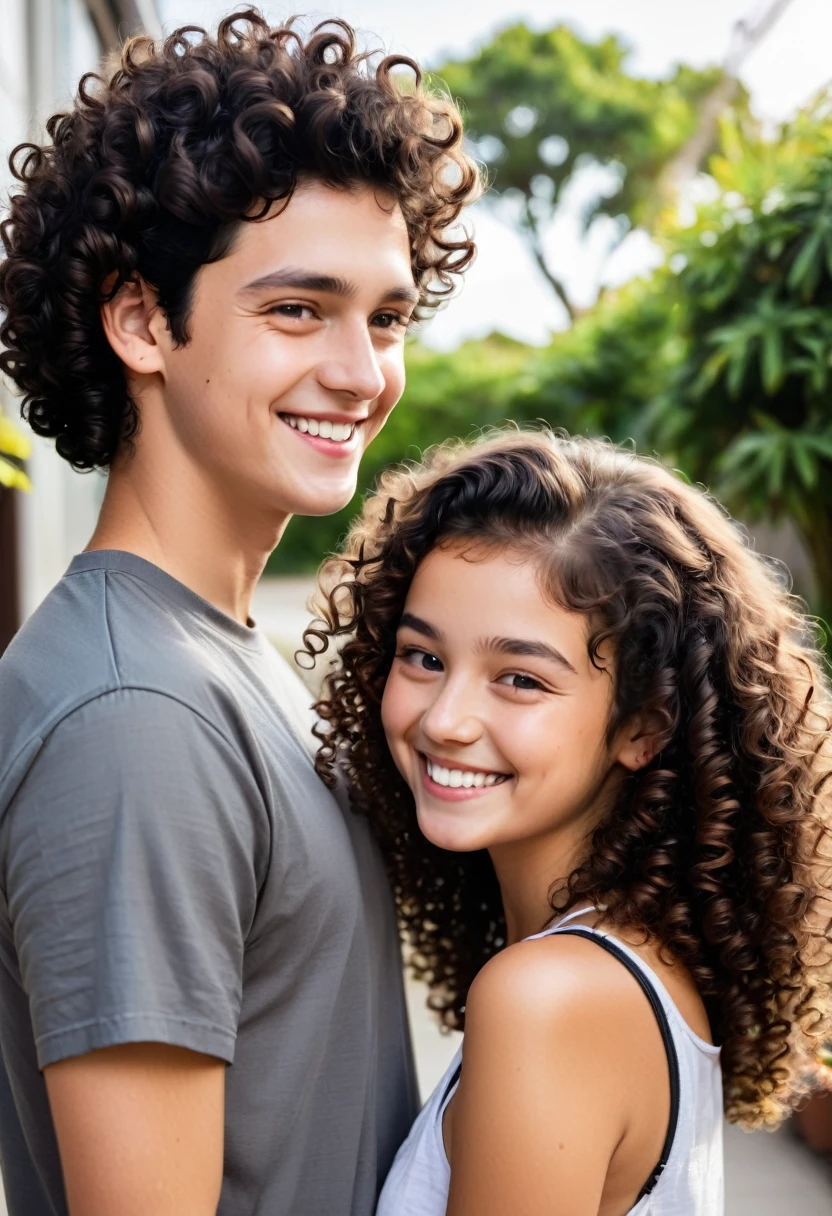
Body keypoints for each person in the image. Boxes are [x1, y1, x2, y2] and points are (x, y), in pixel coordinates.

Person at [0, 11, 480, 1216]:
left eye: (385, 317)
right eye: (297, 310)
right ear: (140, 321)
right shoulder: (136, 718)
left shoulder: (215, 653)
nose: (364, 374)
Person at [306, 429, 832, 1216]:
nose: (446, 720)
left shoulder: (548, 998)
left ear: (643, 727)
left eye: (519, 678)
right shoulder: (626, 965)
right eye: (423, 658)